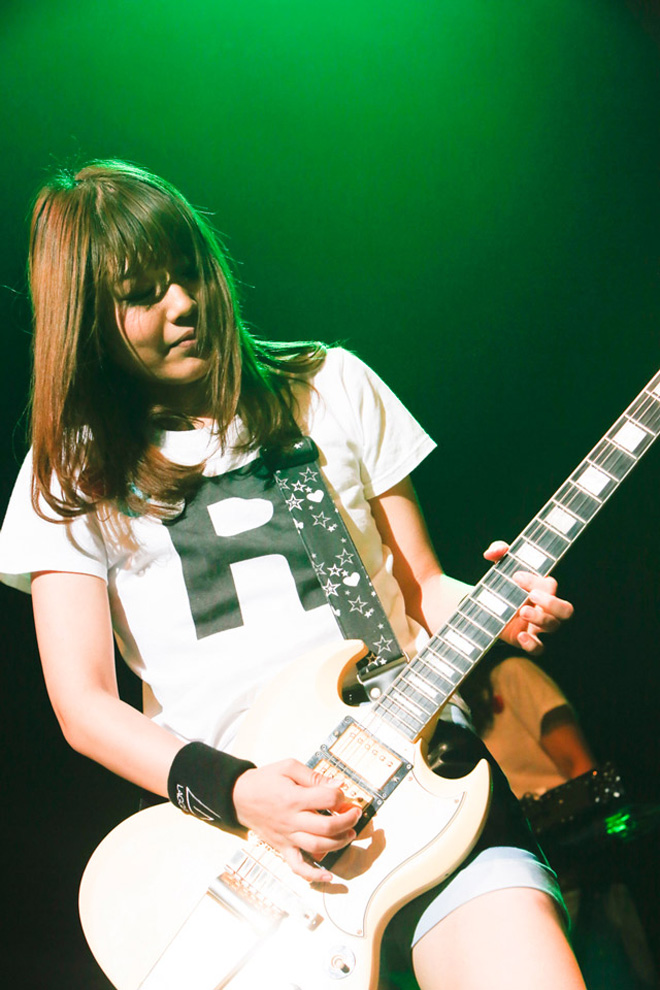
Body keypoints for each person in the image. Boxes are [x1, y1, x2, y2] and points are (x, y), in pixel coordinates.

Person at [0, 160, 586, 990]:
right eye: (142, 294)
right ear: (89, 321)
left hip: (428, 779)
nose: (184, 304)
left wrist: (499, 606)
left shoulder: (328, 385)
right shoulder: (69, 472)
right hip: (245, 848)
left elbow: (423, 586)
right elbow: (84, 704)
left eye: (190, 271)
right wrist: (241, 793)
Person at [459, 648, 659, 990]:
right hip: (519, 884)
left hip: (581, 873)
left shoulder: (510, 675)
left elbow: (582, 769)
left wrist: (589, 834)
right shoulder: (449, 717)